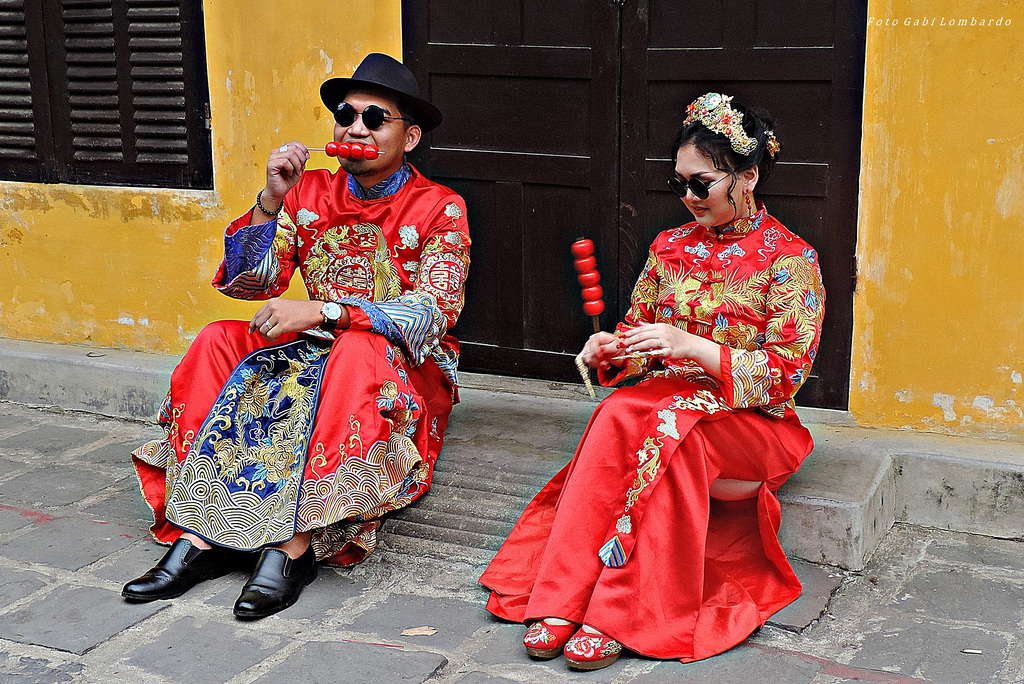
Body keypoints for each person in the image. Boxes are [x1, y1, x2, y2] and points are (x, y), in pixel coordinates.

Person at [479, 93, 824, 669]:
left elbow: (785, 377)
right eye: (680, 184)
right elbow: (640, 343)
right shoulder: (669, 247)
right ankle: (564, 593)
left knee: (671, 431)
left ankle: (621, 611)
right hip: (670, 399)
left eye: (703, 184)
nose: (689, 198)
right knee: (616, 413)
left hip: (755, 421)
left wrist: (695, 347)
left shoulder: (791, 261)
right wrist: (612, 349)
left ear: (749, 177)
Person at [123, 53, 470, 619]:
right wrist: (269, 200)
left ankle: (294, 547)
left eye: (374, 119)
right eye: (345, 114)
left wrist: (325, 313)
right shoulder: (305, 191)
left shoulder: (440, 207)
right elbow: (247, 285)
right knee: (218, 337)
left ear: (408, 139)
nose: (355, 127)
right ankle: (201, 533)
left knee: (359, 349)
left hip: (392, 362)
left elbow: (432, 314)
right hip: (299, 348)